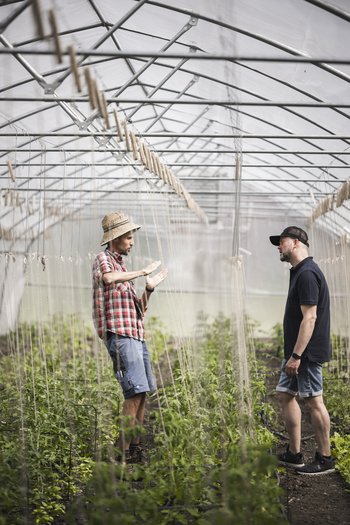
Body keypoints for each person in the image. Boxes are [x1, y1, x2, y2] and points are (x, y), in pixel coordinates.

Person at [92, 211, 168, 463]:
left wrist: (149, 288)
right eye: (128, 237)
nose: (132, 242)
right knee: (133, 393)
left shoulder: (123, 267)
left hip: (135, 334)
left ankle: (134, 448)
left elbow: (139, 309)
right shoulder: (104, 260)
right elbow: (108, 278)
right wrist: (141, 271)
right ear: (115, 238)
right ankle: (122, 453)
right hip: (120, 336)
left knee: (143, 392)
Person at [269, 226, 335, 475]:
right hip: (296, 352)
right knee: (285, 395)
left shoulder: (307, 273)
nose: (278, 246)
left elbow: (310, 319)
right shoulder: (298, 271)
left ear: (295, 243)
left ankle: (325, 458)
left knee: (314, 401)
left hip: (305, 353)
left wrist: (296, 356)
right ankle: (294, 454)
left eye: (281, 242)